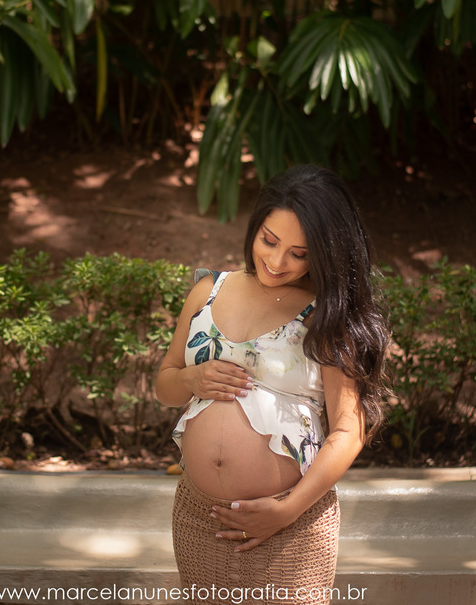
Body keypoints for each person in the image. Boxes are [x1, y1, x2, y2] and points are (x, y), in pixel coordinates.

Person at [155, 164, 391, 605]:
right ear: (255, 227)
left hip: (291, 523)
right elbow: (165, 385)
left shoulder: (326, 316)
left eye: (300, 254)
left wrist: (285, 511)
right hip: (199, 515)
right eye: (269, 240)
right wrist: (191, 377)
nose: (277, 262)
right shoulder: (208, 290)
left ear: (324, 254)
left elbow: (348, 430)